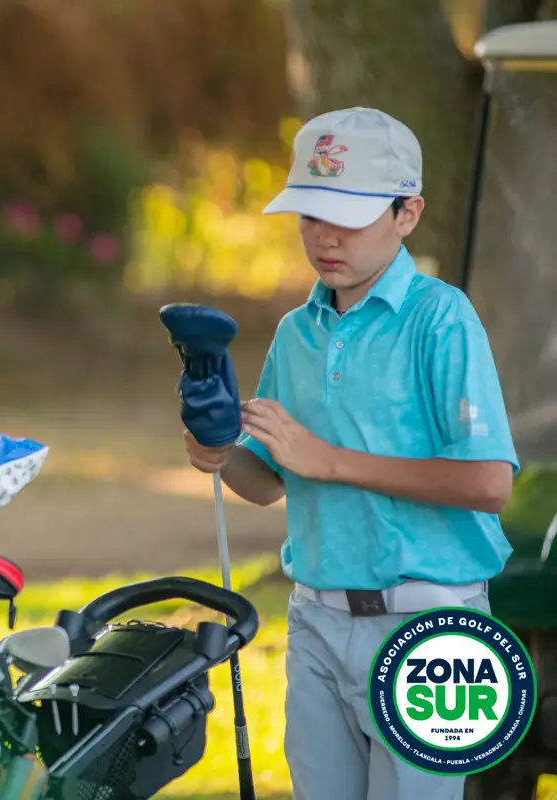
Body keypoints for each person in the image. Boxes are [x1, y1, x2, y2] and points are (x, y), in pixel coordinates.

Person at [183, 107, 518, 800]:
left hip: (433, 627)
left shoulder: (442, 318)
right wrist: (218, 452)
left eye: (350, 217)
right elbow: (270, 480)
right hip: (316, 620)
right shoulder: (296, 331)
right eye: (310, 215)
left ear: (407, 214)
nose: (326, 236)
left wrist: (328, 459)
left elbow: (488, 483)